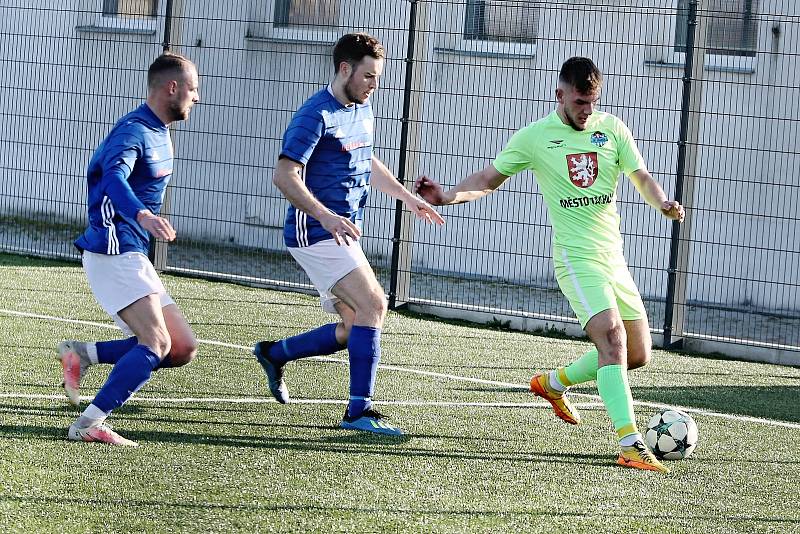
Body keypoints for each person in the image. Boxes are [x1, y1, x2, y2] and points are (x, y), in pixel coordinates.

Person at [415, 57, 684, 472]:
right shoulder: (536, 137)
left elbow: (641, 175)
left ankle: (553, 384)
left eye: (592, 101)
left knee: (636, 354)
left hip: (614, 258)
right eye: (580, 102)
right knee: (611, 340)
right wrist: (448, 196)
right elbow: (488, 180)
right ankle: (629, 443)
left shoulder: (611, 129)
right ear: (560, 95)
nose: (587, 110)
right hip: (576, 259)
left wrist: (662, 202)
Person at [253, 32, 444, 436]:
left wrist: (408, 198)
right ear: (345, 69)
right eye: (369, 76)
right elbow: (284, 175)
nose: (375, 84)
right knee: (375, 303)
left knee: (354, 323)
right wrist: (324, 216)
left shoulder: (362, 107)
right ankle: (360, 411)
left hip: (341, 232)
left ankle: (274, 353)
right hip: (316, 233)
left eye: (377, 77)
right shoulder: (314, 115)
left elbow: (365, 159)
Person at [56, 53, 201, 447]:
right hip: (112, 249)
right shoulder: (132, 131)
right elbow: (113, 179)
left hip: (131, 250)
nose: (197, 97)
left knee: (181, 347)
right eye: (193, 88)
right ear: (172, 88)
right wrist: (142, 214)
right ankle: (89, 422)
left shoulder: (160, 131)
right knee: (155, 343)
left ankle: (82, 353)